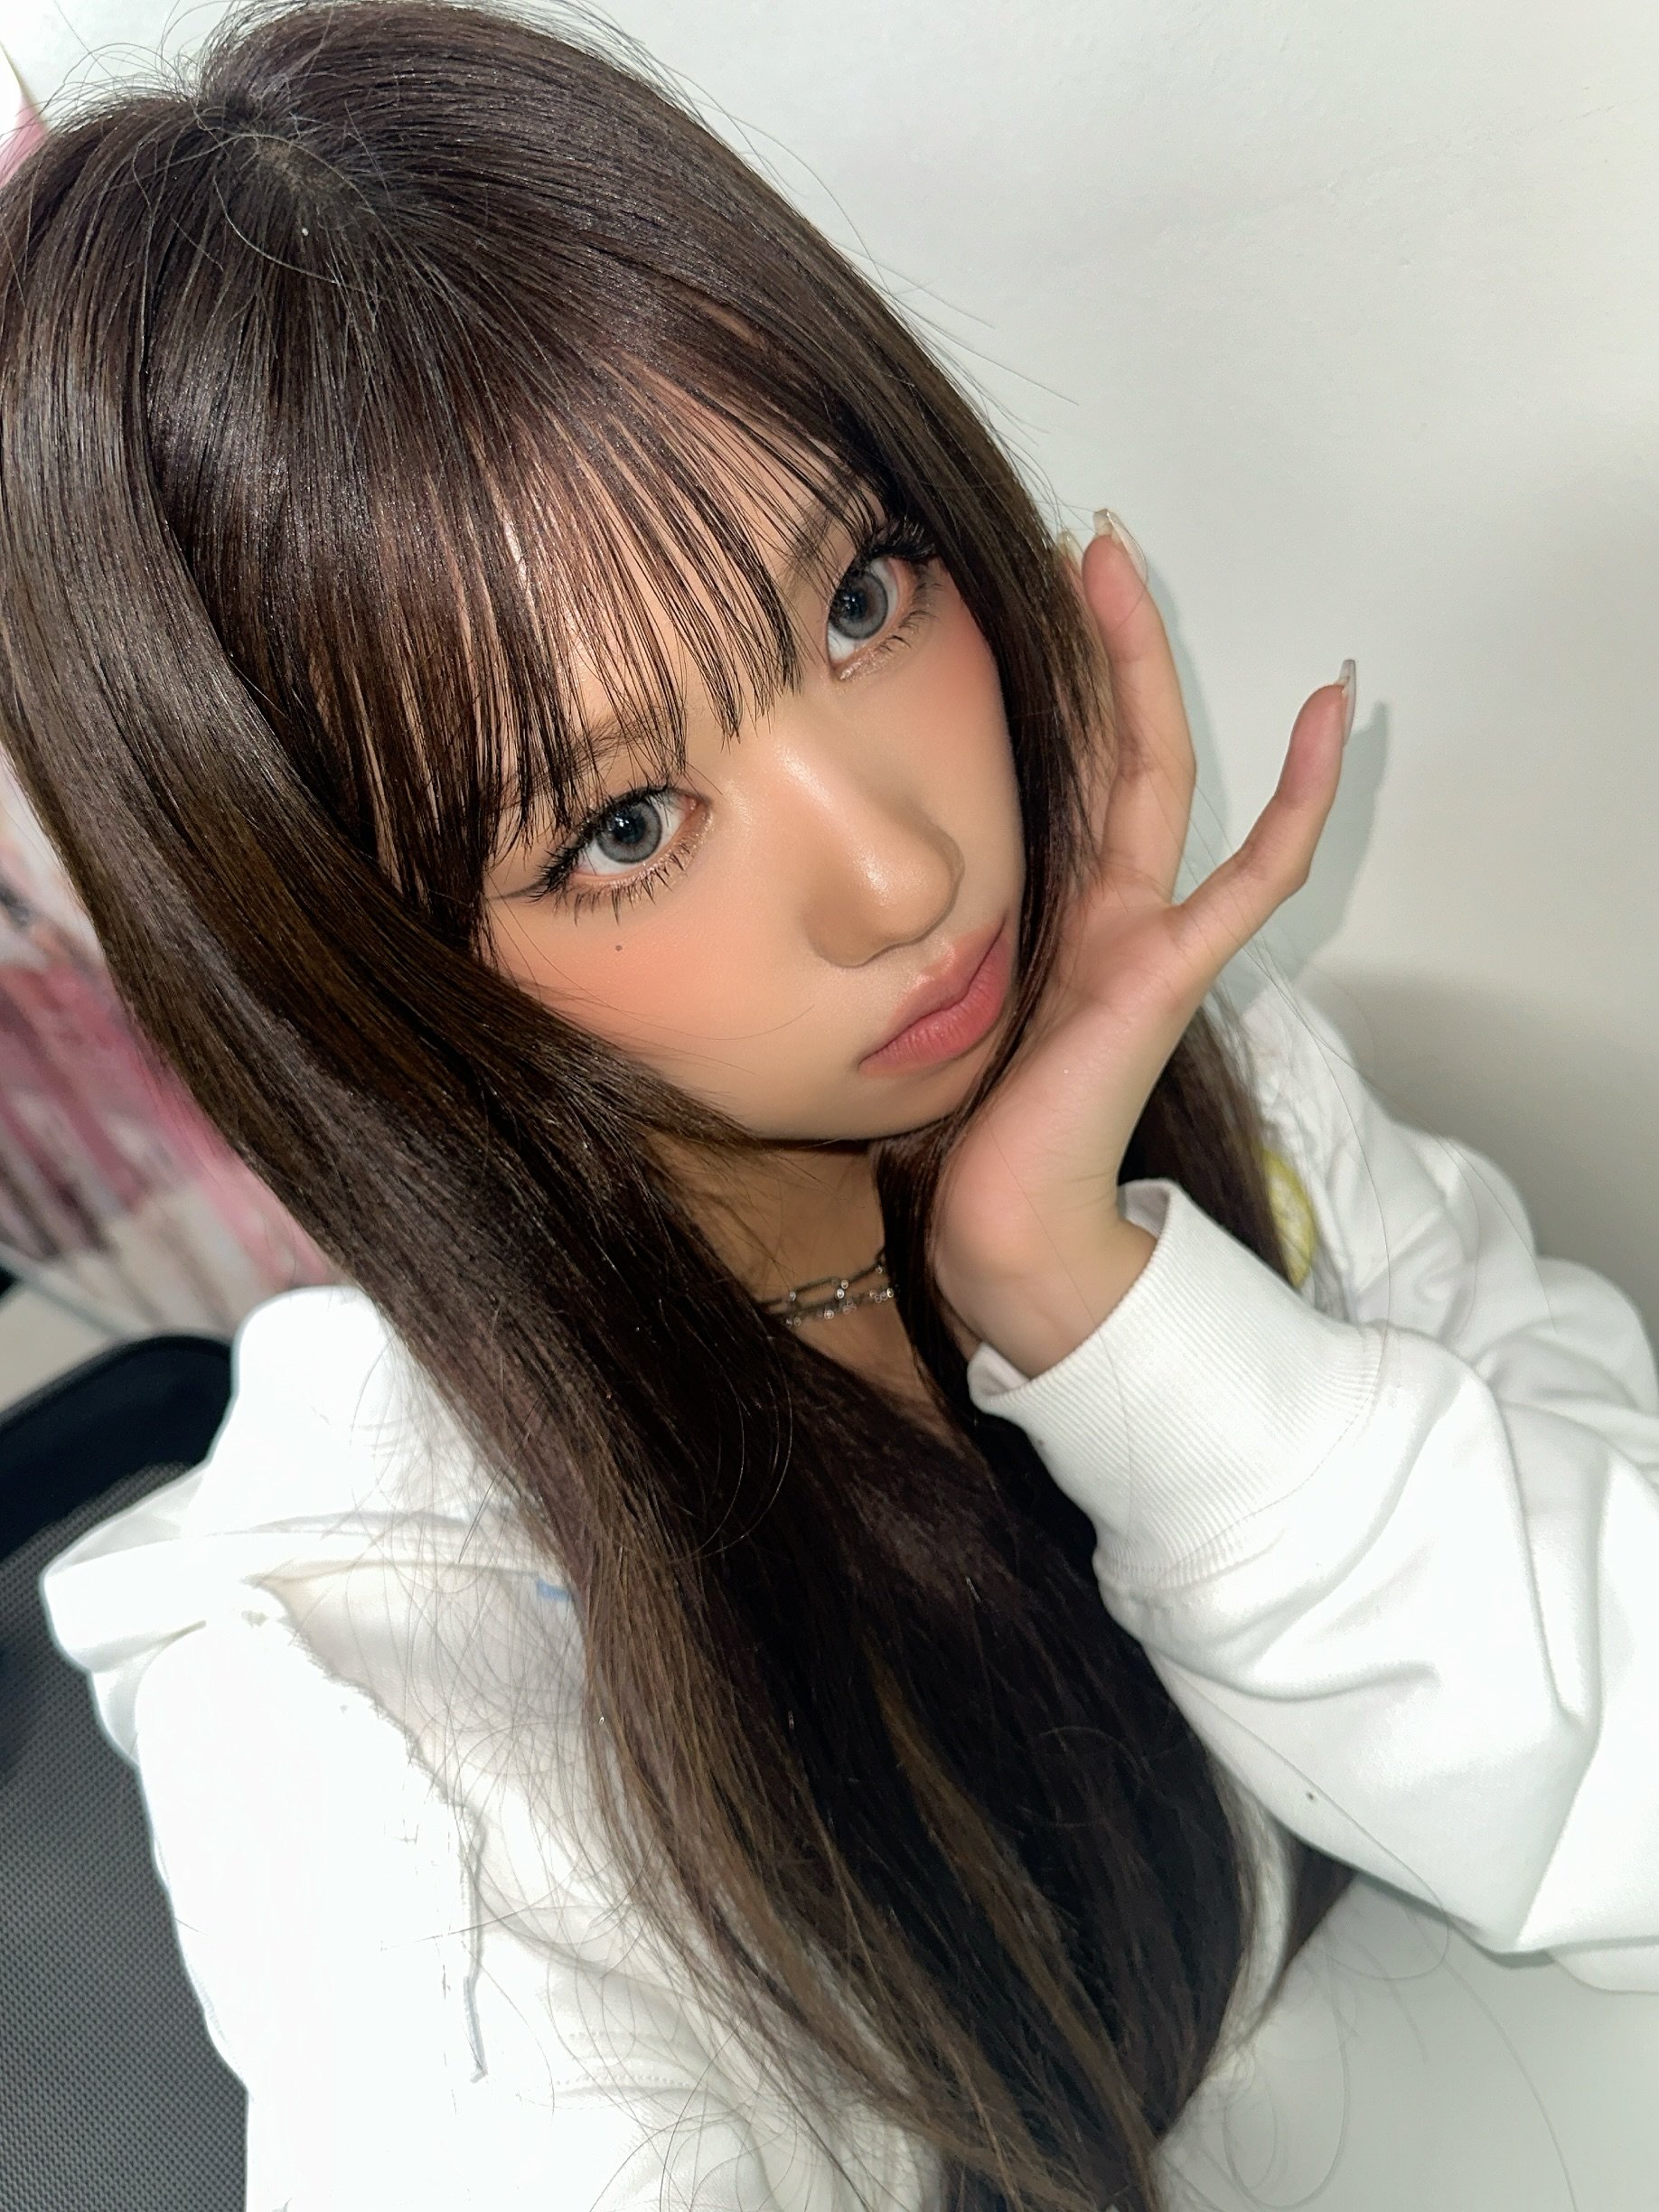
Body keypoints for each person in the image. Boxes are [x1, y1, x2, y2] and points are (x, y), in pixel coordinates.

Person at [5, 4, 1658, 2207]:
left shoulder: (1171, 1070)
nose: (904, 877)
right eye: (619, 827)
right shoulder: (376, 1691)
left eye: (860, 597)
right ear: (357, 971)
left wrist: (1097, 1303)